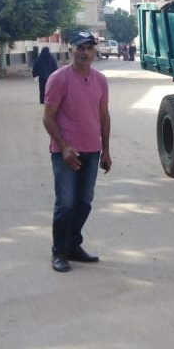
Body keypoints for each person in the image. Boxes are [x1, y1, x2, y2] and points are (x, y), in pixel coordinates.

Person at [42, 31, 112, 273]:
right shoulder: (58, 79)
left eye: (89, 48)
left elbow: (103, 115)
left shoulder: (101, 80)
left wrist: (106, 151)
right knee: (66, 204)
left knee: (84, 202)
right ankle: (59, 252)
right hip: (66, 153)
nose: (84, 52)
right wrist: (63, 147)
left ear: (95, 52)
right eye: (80, 47)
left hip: (92, 150)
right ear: (72, 50)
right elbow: (48, 117)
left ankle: (73, 245)